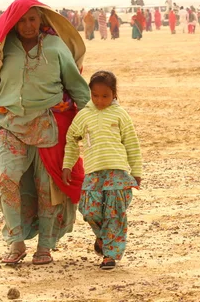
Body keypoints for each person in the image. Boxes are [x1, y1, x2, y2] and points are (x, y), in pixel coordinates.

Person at [0, 0, 90, 266]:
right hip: (10, 124)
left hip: (48, 126)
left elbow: (77, 86)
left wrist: (94, 122)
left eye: (32, 19)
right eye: (22, 20)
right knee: (6, 180)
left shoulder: (56, 47)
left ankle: (45, 247)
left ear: (41, 19)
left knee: (47, 189)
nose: (27, 25)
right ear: (13, 22)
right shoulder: (4, 48)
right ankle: (15, 242)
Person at [62, 71, 142, 270]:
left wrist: (137, 171)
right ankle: (102, 238)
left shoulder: (120, 114)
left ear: (114, 94)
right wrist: (67, 164)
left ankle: (109, 255)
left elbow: (132, 143)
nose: (100, 100)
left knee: (114, 214)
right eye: (95, 95)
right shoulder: (84, 116)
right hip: (94, 174)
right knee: (89, 210)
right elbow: (71, 139)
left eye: (105, 96)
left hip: (118, 173)